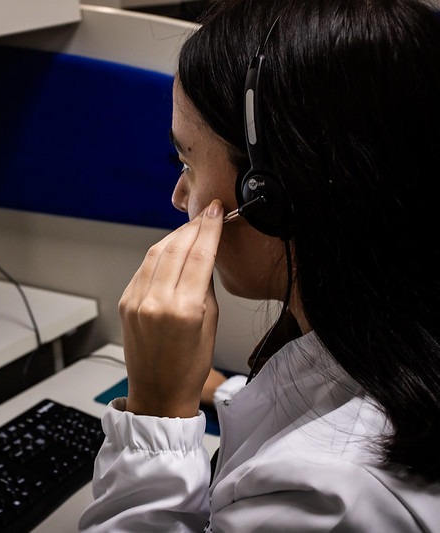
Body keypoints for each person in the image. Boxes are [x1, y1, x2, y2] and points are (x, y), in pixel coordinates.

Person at [78, 0, 440, 531]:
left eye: (186, 161)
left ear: (269, 192)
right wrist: (225, 393)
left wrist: (157, 411)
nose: (179, 197)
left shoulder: (324, 498)